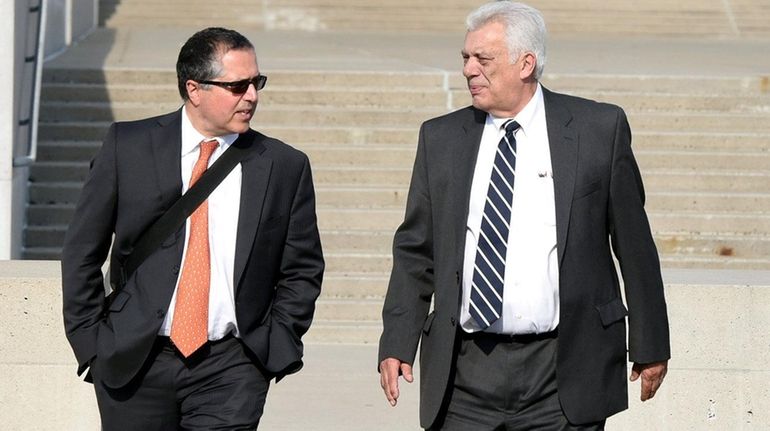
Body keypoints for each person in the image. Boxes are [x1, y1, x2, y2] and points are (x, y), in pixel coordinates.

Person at [378, 2, 670, 429]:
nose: (469, 70)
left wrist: (650, 343)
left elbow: (635, 246)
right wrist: (397, 341)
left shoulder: (596, 130)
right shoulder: (440, 139)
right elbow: (415, 251)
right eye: (465, 58)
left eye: (483, 59)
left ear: (526, 63)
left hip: (562, 370)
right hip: (464, 374)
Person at [61, 27, 324, 430]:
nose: (252, 95)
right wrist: (92, 343)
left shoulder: (284, 165)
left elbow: (302, 269)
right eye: (237, 85)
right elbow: (82, 251)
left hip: (231, 367)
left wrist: (274, 345)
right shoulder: (127, 146)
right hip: (135, 362)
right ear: (194, 89)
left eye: (257, 82)